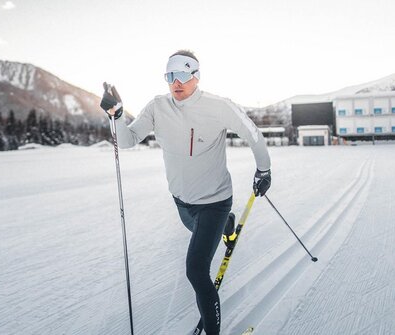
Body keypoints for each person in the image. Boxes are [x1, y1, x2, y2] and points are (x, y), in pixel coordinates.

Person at [100, 50, 271, 335]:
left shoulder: (218, 106)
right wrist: (116, 115)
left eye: (182, 74)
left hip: (214, 202)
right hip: (182, 203)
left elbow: (253, 133)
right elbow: (127, 140)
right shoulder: (157, 107)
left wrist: (263, 170)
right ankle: (227, 226)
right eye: (170, 76)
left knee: (196, 270)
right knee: (198, 231)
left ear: (196, 75)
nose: (175, 82)